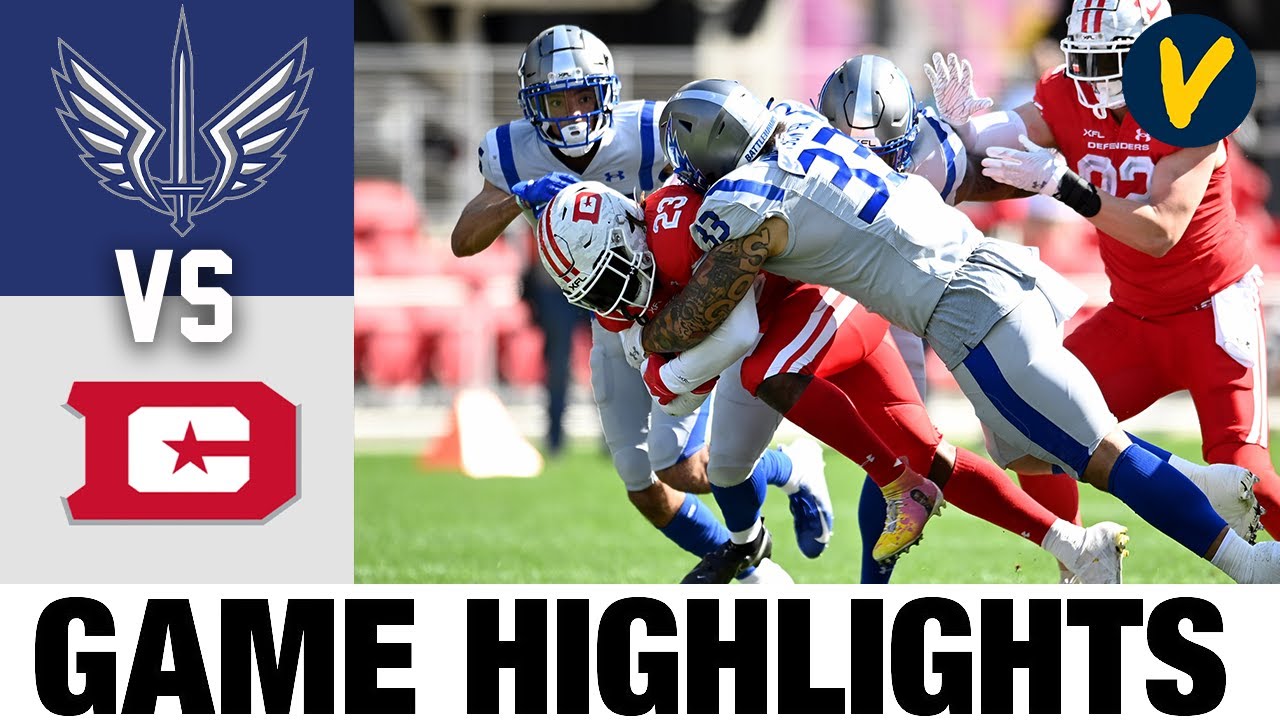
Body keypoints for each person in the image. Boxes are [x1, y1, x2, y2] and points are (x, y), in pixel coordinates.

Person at [639, 78, 1279, 582]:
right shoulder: (802, 126)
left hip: (968, 310)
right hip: (985, 281)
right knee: (1042, 452)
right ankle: (1215, 486)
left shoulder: (744, 199)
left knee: (1106, 458)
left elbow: (702, 310)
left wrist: (648, 334)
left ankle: (1250, 567)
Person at [543, 179, 1134, 583]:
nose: (613, 295)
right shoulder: (614, 299)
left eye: (614, 272)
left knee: (767, 375)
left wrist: (670, 376)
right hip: (780, 336)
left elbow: (736, 331)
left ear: (629, 228)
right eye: (595, 288)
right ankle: (1077, 547)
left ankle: (895, 484)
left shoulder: (676, 226)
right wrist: (670, 381)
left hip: (818, 299)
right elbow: (669, 390)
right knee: (725, 468)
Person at [448, 25, 827, 582]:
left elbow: (719, 182)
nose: (575, 112)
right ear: (534, 103)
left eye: (585, 95)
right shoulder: (511, 154)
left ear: (608, 91)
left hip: (673, 304)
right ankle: (753, 570)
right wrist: (516, 199)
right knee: (641, 485)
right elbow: (463, 241)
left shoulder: (651, 128)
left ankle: (789, 471)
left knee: (683, 467)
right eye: (558, 99)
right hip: (605, 315)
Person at [926, 0, 1274, 562]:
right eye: (1080, 61)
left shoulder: (1194, 99)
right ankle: (1081, 558)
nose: (1090, 78)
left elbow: (1158, 230)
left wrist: (1065, 187)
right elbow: (1011, 140)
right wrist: (964, 130)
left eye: (1106, 60)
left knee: (1247, 476)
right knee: (1027, 427)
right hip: (1134, 315)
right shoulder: (1066, 92)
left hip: (1212, 312)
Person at [816, 53, 1031, 583]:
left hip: (902, 304)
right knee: (740, 429)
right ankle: (774, 499)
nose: (868, 169)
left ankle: (874, 585)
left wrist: (973, 133)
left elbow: (1008, 180)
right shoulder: (796, 146)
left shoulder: (934, 151)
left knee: (901, 446)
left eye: (883, 155)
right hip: (824, 297)